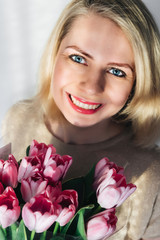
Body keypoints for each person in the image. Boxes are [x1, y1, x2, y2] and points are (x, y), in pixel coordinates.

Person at [1, 0, 160, 239]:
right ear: (55, 53)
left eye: (117, 71)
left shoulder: (151, 176)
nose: (92, 87)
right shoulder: (18, 118)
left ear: (138, 84)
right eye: (78, 58)